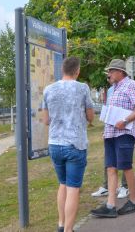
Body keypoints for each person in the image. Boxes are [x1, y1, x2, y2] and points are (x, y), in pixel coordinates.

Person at [41, 57, 94, 232]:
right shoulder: (82, 88)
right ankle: (69, 230)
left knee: (62, 183)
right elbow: (90, 116)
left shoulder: (49, 89)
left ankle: (61, 224)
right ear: (77, 71)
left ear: (62, 70)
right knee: (73, 188)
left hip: (55, 144)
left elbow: (46, 120)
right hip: (75, 144)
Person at [91, 59, 135, 218]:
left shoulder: (131, 85)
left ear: (120, 72)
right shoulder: (113, 88)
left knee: (125, 166)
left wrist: (126, 120)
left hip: (125, 133)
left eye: (111, 71)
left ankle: (133, 201)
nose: (108, 74)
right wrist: (106, 129)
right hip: (111, 133)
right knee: (110, 167)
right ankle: (110, 205)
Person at [92, 76, 129, 199]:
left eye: (110, 74)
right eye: (107, 75)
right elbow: (108, 111)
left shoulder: (129, 86)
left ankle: (125, 186)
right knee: (109, 161)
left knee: (124, 159)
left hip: (124, 129)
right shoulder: (109, 91)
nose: (108, 77)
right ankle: (106, 187)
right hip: (110, 129)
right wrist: (105, 129)